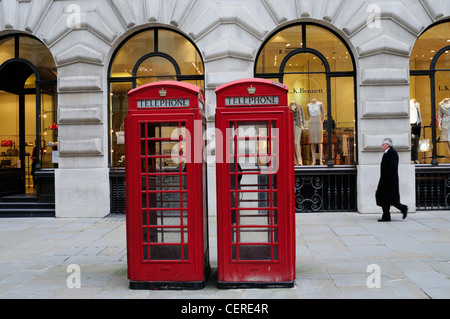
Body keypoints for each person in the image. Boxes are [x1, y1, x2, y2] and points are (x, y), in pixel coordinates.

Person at [375, 138, 408, 222]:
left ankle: (403, 208)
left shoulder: (392, 152)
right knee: (384, 198)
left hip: (389, 181)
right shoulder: (387, 152)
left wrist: (387, 177)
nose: (381, 146)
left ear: (387, 145)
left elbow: (393, 166)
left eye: (383, 144)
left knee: (391, 199)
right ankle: (386, 216)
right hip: (385, 180)